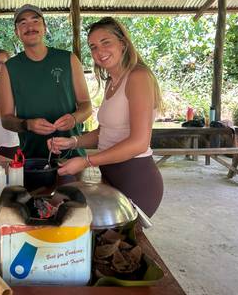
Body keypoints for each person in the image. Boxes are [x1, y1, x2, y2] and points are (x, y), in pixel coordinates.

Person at [49, 17, 163, 217]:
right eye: (93, 47)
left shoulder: (138, 77)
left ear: (123, 44)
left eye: (105, 42)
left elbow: (139, 143)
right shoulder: (112, 81)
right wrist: (72, 142)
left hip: (136, 177)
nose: (99, 52)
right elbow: (106, 132)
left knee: (122, 244)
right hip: (112, 174)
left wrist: (86, 161)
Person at [0, 4, 92, 159]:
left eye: (35, 21)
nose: (30, 27)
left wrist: (74, 118)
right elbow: (6, 119)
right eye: (23, 23)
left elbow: (86, 105)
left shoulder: (69, 59)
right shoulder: (9, 68)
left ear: (44, 27)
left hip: (72, 155)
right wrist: (27, 124)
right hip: (32, 159)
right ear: (17, 32)